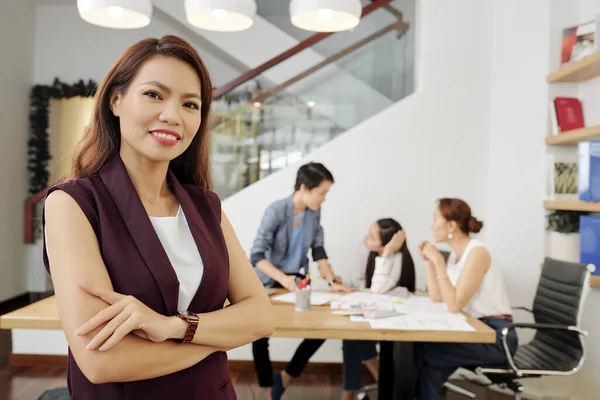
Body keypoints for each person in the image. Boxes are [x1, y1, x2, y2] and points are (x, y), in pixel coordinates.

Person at [43, 35, 275, 400]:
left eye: (190, 104)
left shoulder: (205, 206)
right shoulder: (74, 204)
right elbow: (102, 362)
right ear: (116, 100)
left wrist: (172, 327)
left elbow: (261, 316)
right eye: (154, 94)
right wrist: (216, 337)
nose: (172, 115)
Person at [249, 162, 353, 400]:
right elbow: (256, 256)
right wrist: (283, 279)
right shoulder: (276, 210)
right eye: (322, 193)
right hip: (269, 282)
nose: (324, 199)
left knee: (320, 327)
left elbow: (318, 250)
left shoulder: (314, 213)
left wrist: (331, 280)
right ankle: (268, 391)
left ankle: (285, 377)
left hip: (297, 281)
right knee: (260, 335)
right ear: (305, 188)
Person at [415, 198, 517, 400]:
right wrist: (429, 262)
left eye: (435, 218)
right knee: (430, 372)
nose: (431, 224)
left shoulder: (477, 253)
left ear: (451, 225)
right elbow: (437, 297)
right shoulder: (456, 255)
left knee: (421, 350)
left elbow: (454, 304)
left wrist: (438, 260)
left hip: (496, 337)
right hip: (474, 330)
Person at [340, 218, 416, 400]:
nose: (366, 237)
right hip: (375, 311)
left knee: (353, 336)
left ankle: (375, 379)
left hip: (394, 318)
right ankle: (354, 389)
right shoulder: (368, 250)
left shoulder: (395, 258)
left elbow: (377, 289)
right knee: (349, 335)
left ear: (386, 243)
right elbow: (356, 280)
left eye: (372, 236)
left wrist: (388, 252)